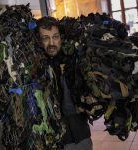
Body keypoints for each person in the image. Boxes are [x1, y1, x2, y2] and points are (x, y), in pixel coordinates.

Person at [36, 16, 93, 150]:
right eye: (45, 38)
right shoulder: (36, 68)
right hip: (54, 139)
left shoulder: (75, 60)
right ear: (39, 41)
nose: (51, 43)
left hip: (80, 134)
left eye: (55, 37)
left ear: (61, 37)